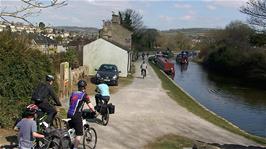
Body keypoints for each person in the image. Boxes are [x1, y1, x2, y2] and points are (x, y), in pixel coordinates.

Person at [67, 80, 97, 149]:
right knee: (79, 134)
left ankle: (69, 143)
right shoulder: (84, 95)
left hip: (69, 113)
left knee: (72, 130)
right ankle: (75, 148)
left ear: (78, 86)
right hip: (76, 115)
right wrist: (94, 111)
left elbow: (71, 104)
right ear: (84, 87)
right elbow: (90, 106)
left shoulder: (73, 93)